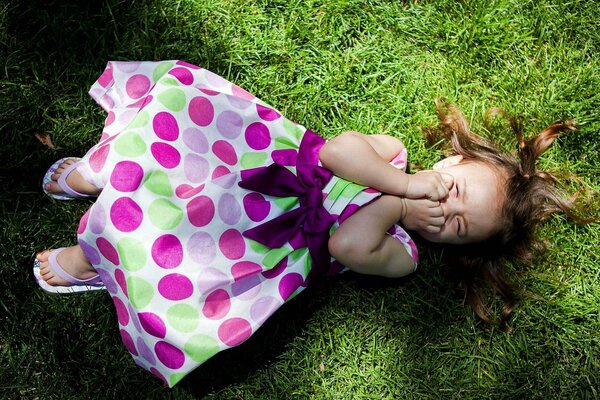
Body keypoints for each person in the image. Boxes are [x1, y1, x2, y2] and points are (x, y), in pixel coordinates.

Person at [32, 61, 590, 387]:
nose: (445, 212)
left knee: (165, 241)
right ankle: (96, 171)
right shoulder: (393, 158)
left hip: (253, 239)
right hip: (253, 158)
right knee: (171, 131)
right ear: (449, 164)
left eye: (460, 226)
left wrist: (397, 207)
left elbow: (347, 243)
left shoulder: (403, 252)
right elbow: (337, 154)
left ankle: (91, 259)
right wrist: (402, 185)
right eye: (457, 193)